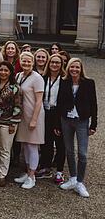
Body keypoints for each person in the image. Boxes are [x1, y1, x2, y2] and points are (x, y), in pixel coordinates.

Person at [57, 58, 97, 197]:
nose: (74, 70)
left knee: (83, 153)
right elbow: (59, 102)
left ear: (81, 69)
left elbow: (94, 104)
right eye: (72, 67)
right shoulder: (64, 82)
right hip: (66, 120)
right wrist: (57, 123)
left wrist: (94, 124)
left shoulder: (89, 83)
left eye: (77, 67)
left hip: (82, 121)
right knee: (69, 150)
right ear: (68, 68)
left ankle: (80, 182)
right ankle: (73, 177)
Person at [14, 51, 45, 189]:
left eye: (29, 61)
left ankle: (32, 176)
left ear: (32, 62)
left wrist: (34, 119)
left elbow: (39, 101)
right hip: (22, 115)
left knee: (32, 146)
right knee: (25, 145)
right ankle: (27, 172)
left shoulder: (37, 78)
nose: (26, 63)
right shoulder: (19, 75)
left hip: (34, 115)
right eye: (24, 61)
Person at [0, 61, 22, 187]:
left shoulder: (15, 87)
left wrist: (13, 123)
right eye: (1, 70)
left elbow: (18, 106)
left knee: (5, 149)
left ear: (10, 72)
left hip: (8, 122)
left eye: (6, 70)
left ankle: (2, 174)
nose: (3, 72)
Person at [40, 53, 66, 184]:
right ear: (48, 64)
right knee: (46, 142)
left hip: (58, 113)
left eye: (57, 63)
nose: (54, 65)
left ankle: (60, 172)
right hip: (45, 112)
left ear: (61, 65)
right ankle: (46, 167)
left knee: (60, 143)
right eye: (52, 62)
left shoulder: (64, 80)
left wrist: (58, 122)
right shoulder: (43, 78)